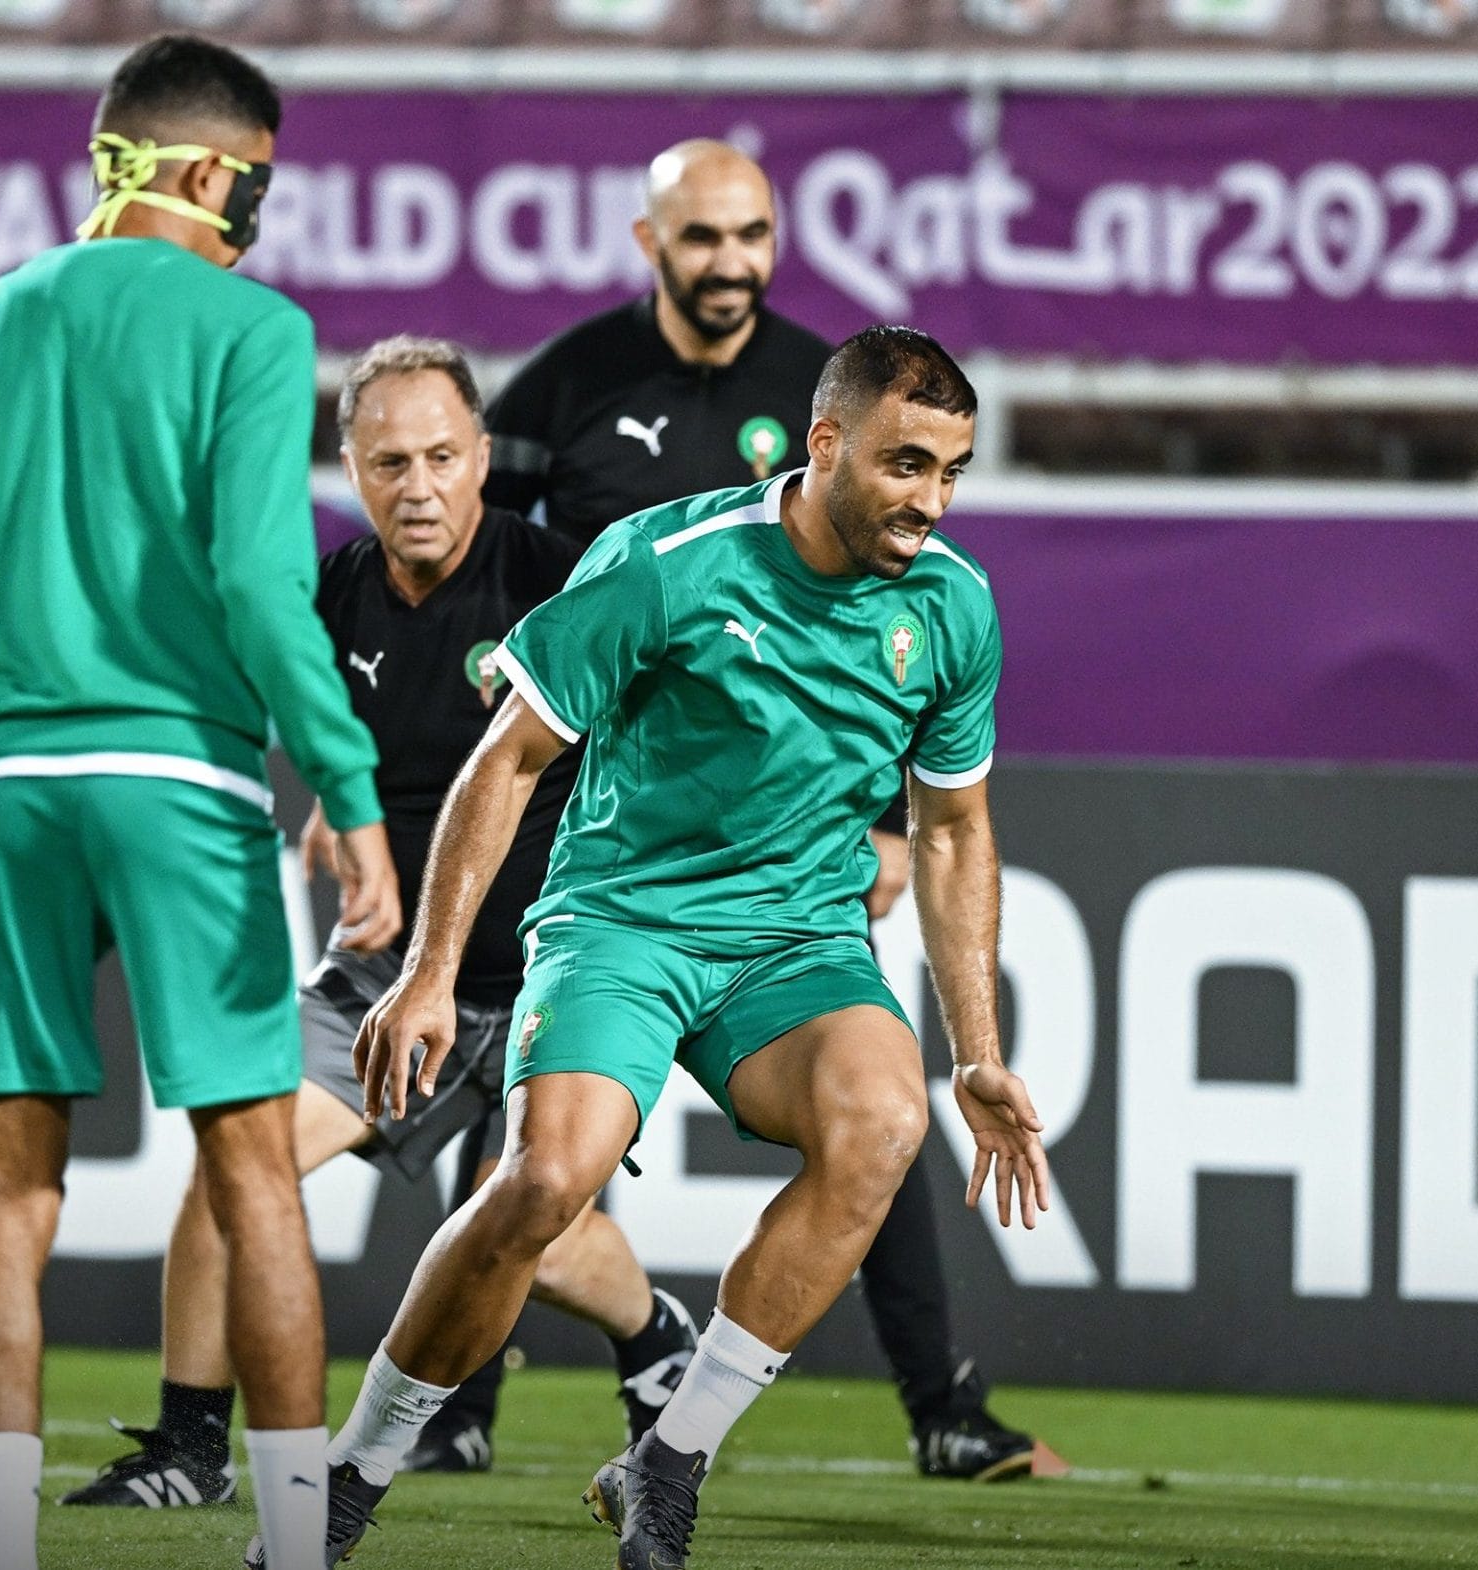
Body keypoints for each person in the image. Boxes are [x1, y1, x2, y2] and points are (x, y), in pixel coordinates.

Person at [248, 325, 1050, 1569]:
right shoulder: (667, 562)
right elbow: (505, 759)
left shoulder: (954, 606)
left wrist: (979, 1051)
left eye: (951, 471)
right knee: (543, 1182)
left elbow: (952, 832)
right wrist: (430, 971)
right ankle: (346, 1484)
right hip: (623, 915)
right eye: (905, 465)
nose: (930, 502)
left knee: (882, 1124)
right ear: (827, 442)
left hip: (796, 943)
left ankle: (665, 1463)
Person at [0, 34, 400, 1570]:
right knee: (246, 1170)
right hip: (181, 779)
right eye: (260, 183)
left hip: (10, 785)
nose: (260, 211)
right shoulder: (254, 328)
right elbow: (256, 582)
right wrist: (347, 786)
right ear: (214, 173)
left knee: (9, 1192)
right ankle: (292, 1549)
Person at [457, 136, 1040, 1484]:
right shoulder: (568, 382)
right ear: (650, 241)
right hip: (585, 801)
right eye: (704, 236)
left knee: (873, 1110)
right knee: (527, 1128)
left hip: (780, 850)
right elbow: (494, 572)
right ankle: (462, 1397)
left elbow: (900, 715)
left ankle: (936, 1400)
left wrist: (891, 825)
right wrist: (474, 732)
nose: (733, 262)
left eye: (754, 235)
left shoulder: (834, 392)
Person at [55, 336, 699, 1504]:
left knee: (535, 1232)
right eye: (391, 461)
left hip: (552, 979)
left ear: (483, 457)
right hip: (390, 977)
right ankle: (190, 1448)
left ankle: (654, 1335)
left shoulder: (565, 582)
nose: (421, 486)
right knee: (234, 1158)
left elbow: (686, 730)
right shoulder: (325, 597)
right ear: (350, 466)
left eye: (444, 457)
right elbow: (202, 715)